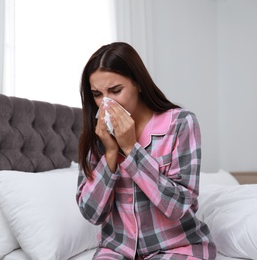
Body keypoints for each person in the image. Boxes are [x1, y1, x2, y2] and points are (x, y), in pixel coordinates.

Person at [76, 42, 216, 260]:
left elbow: (178, 206)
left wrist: (131, 149)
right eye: (97, 94)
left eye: (115, 91)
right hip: (116, 250)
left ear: (138, 84)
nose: (106, 103)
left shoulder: (180, 123)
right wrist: (111, 153)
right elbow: (91, 213)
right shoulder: (98, 134)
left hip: (176, 247)